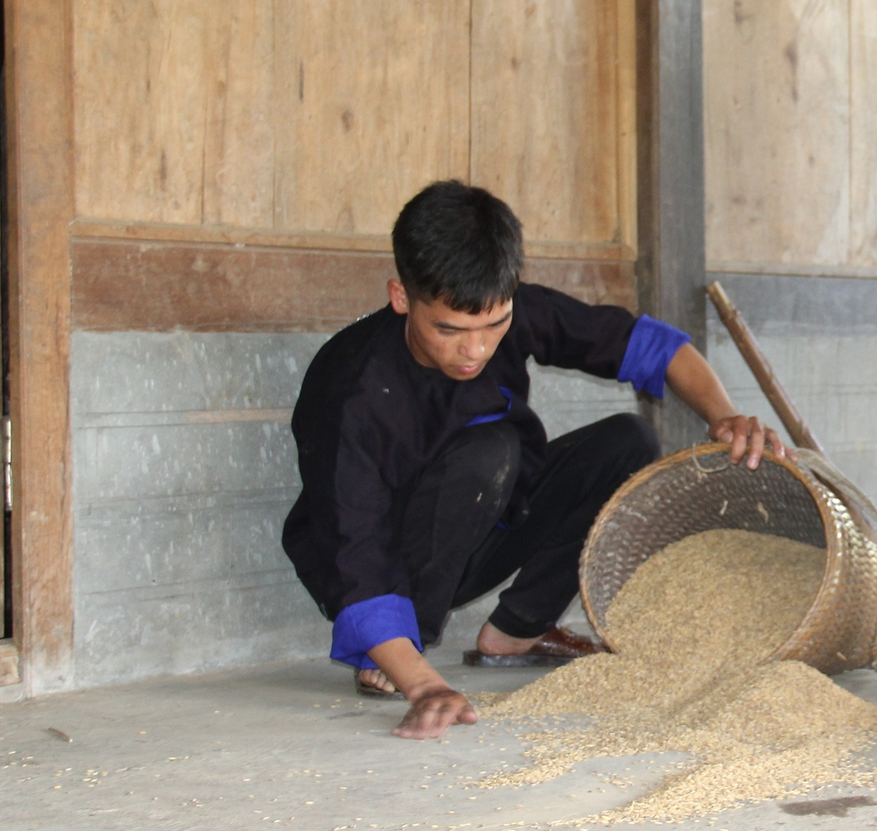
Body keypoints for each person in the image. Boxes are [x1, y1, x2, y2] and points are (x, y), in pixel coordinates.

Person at [282, 181, 784, 740]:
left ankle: (517, 629)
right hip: (385, 563)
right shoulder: (351, 388)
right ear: (402, 297)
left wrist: (726, 416)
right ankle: (398, 650)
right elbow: (352, 547)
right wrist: (422, 683)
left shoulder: (516, 311)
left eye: (493, 326)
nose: (474, 350)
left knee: (629, 440)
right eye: (449, 330)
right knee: (489, 452)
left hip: (483, 522)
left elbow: (651, 347)